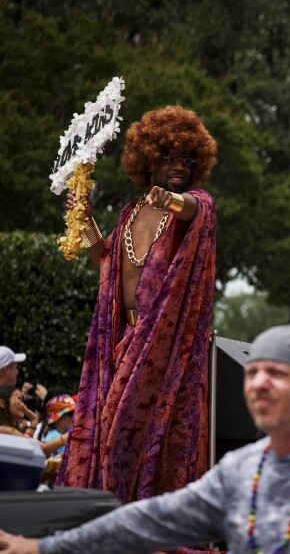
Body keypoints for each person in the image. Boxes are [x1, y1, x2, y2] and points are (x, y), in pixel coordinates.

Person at [0, 325, 290, 554]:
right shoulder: (241, 470)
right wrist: (42, 547)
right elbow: (145, 522)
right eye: (254, 372)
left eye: (277, 373)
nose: (259, 384)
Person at [58, 106, 218, 508]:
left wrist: (172, 200)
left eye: (187, 160)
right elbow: (108, 261)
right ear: (148, 158)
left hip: (162, 351)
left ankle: (136, 520)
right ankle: (111, 518)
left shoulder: (196, 204)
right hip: (122, 339)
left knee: (126, 432)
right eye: (170, 158)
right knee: (107, 431)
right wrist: (86, 218)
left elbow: (195, 210)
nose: (179, 166)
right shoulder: (130, 212)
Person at [0, 387, 67, 457]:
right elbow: (42, 448)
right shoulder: (4, 430)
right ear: (2, 403)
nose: (22, 404)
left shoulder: (8, 430)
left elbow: (29, 444)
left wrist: (34, 420)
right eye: (18, 399)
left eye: (22, 400)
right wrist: (72, 433)